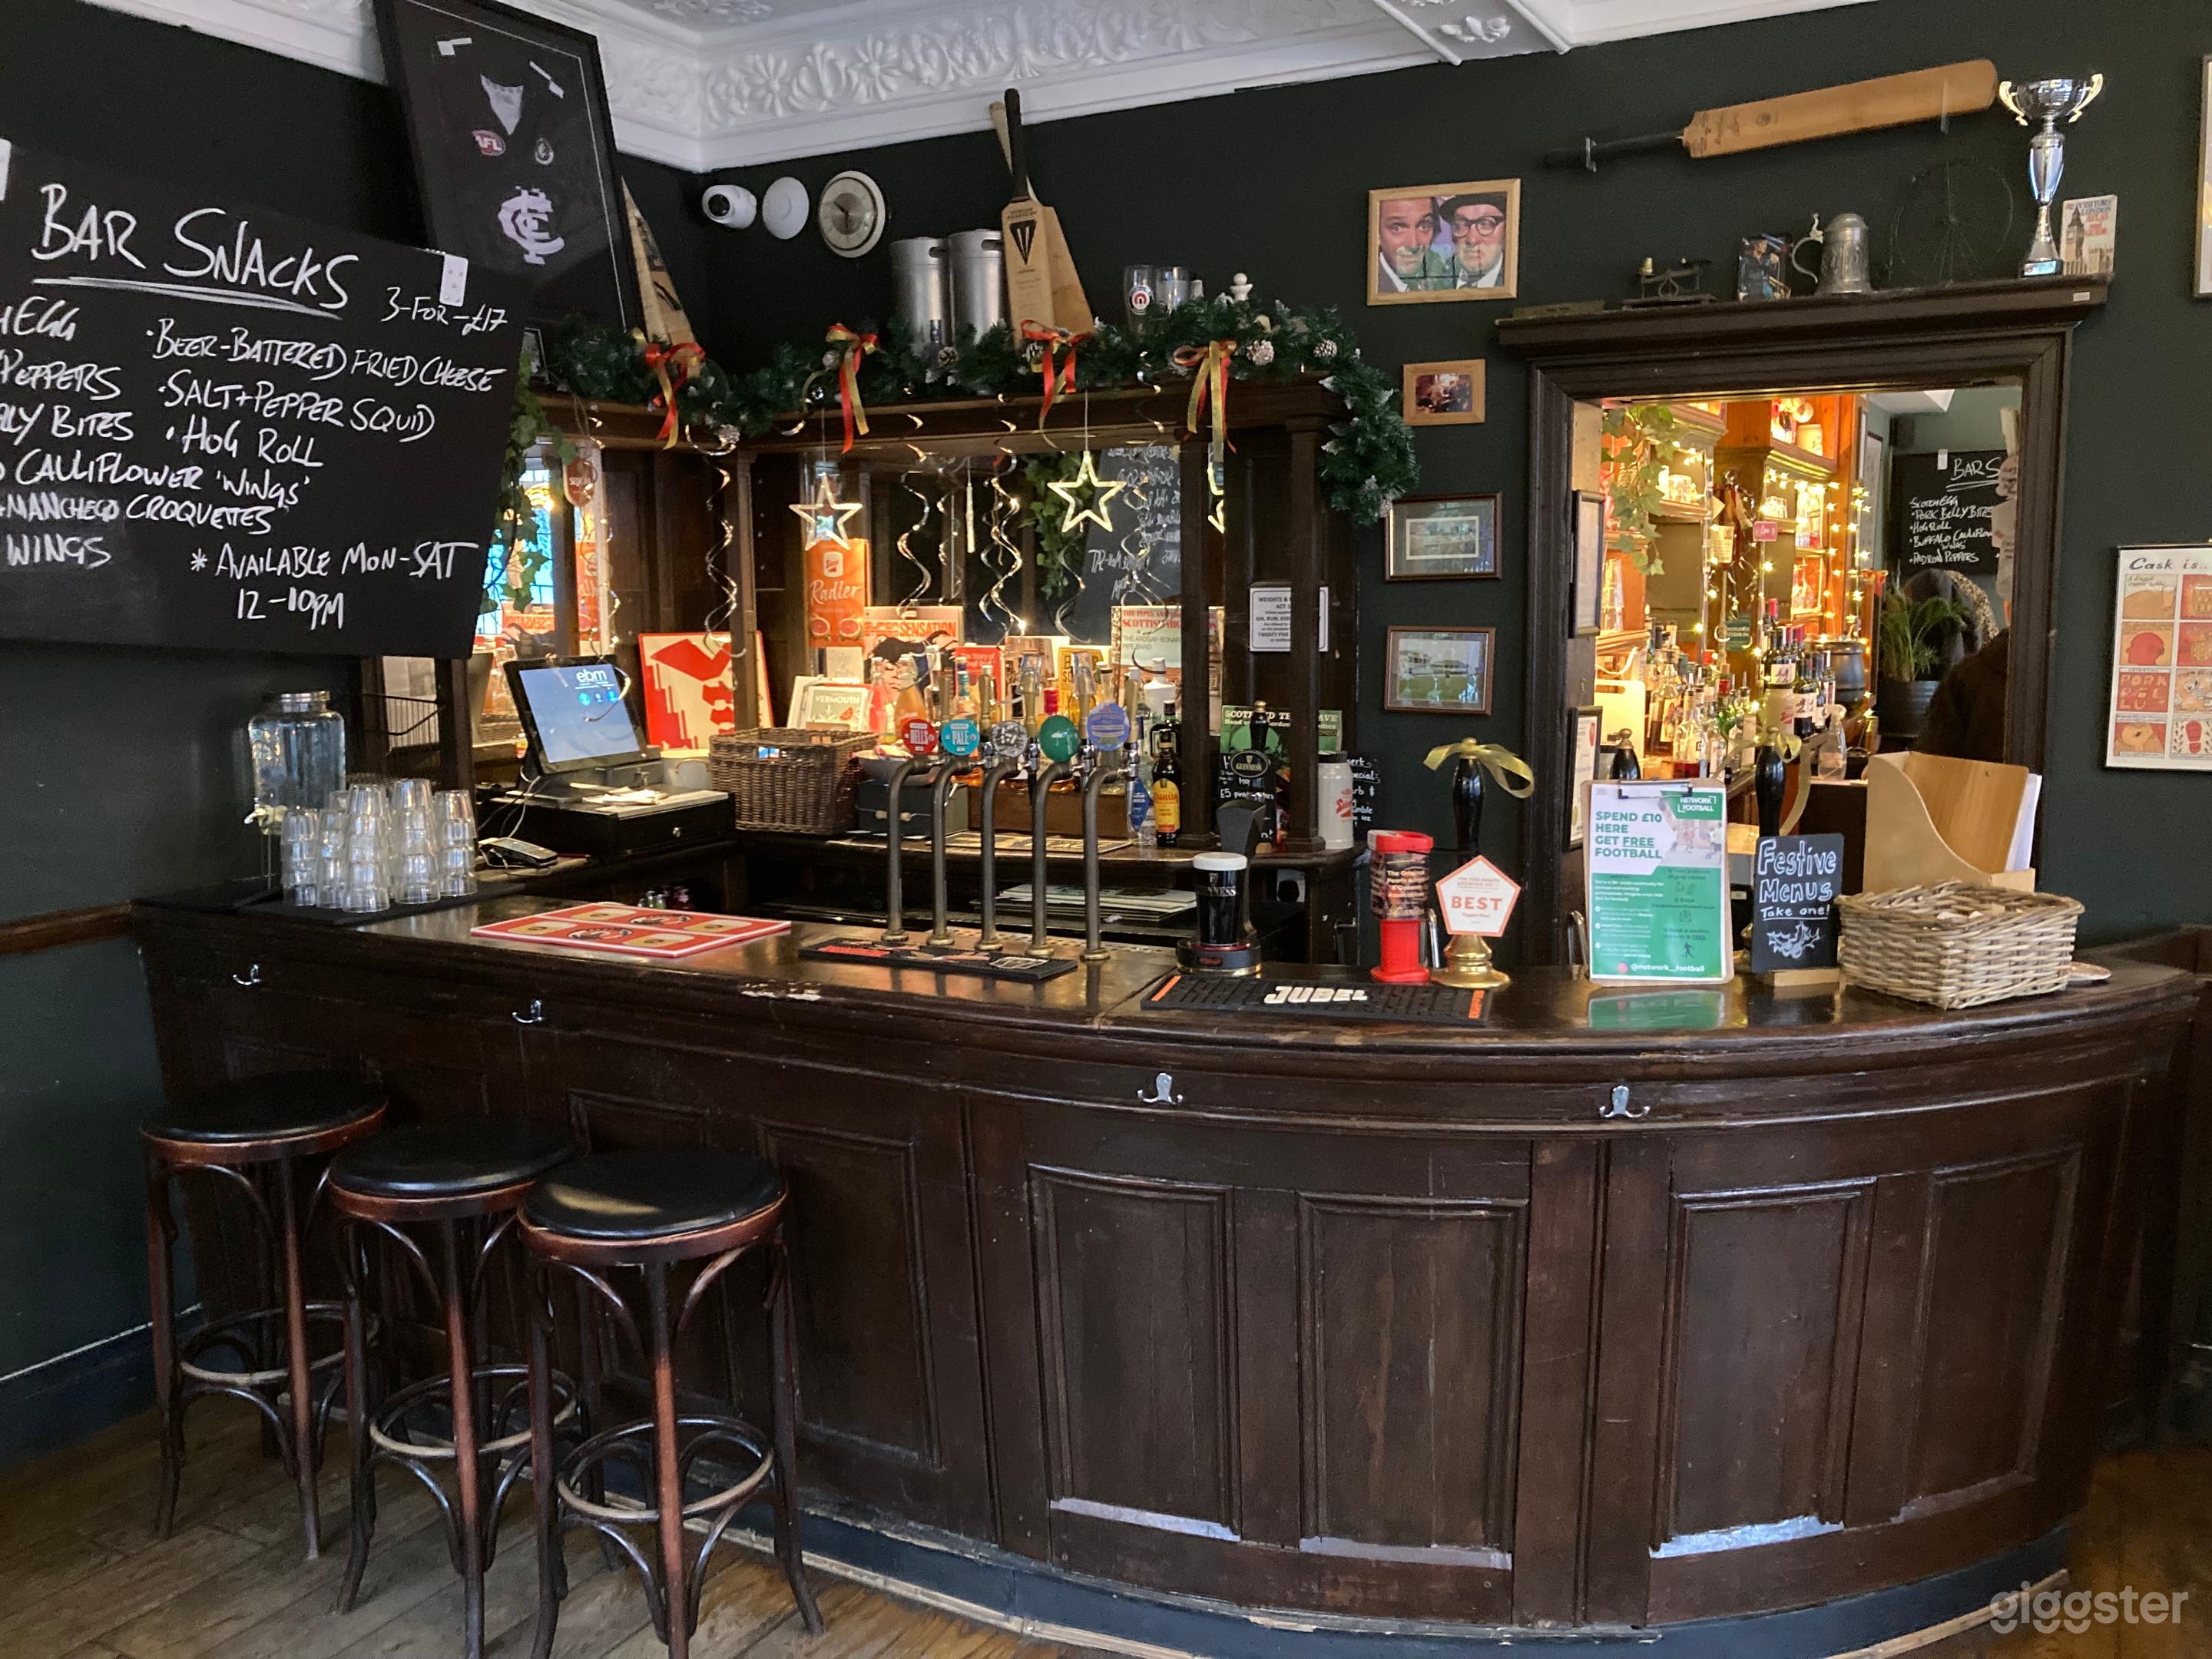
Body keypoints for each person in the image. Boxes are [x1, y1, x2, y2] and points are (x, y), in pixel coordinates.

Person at [1918, 447, 2018, 763]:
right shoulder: (2085, 679)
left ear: (2008, 608)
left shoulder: (1967, 678)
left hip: (1974, 808)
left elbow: (1931, 764)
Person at [1374, 196, 1449, 293]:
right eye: (1397, 228)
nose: (1413, 245)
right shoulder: (1372, 287)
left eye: (1424, 226)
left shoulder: (1441, 281)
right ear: (1377, 233)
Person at [1440, 192, 1510, 288]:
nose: (1472, 240)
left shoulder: (1519, 283)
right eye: (1462, 225)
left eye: (1485, 224)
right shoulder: (1436, 283)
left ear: (1506, 232)